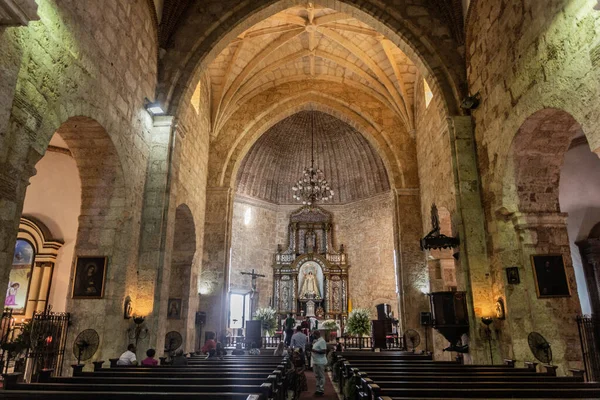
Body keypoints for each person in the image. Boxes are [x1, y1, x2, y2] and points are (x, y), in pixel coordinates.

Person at [311, 330, 327, 396]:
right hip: (316, 361)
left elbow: (324, 351)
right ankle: (318, 389)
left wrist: (314, 350)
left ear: (316, 334)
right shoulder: (317, 341)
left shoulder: (322, 341)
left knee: (321, 376)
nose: (312, 336)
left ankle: (321, 390)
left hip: (320, 361)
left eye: (313, 334)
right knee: (317, 376)